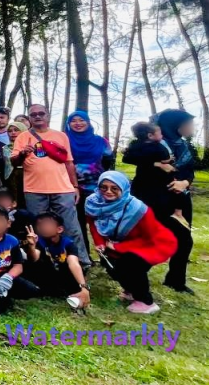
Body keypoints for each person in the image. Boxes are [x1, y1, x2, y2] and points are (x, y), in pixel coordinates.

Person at [86, 171, 177, 314]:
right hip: (118, 242)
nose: (108, 191)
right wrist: (99, 242)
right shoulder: (94, 203)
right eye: (103, 187)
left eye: (114, 188)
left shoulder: (138, 209)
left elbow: (149, 238)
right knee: (110, 265)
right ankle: (131, 290)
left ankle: (146, 302)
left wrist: (117, 247)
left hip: (153, 243)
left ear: (124, 188)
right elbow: (93, 223)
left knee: (131, 265)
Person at [11, 104, 89, 267]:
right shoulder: (23, 137)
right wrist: (23, 153)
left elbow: (69, 162)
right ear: (29, 118)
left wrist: (75, 186)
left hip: (62, 188)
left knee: (70, 226)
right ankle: (45, 262)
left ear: (47, 115)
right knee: (39, 227)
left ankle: (80, 261)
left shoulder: (61, 136)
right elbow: (14, 162)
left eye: (41, 113)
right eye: (33, 114)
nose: (37, 116)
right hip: (34, 190)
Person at [152, 109, 197, 293]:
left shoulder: (183, 145)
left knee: (185, 241)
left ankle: (176, 280)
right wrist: (157, 165)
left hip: (182, 199)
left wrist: (184, 182)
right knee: (151, 240)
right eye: (188, 124)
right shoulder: (154, 144)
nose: (192, 127)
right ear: (174, 125)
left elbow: (190, 171)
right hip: (158, 199)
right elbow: (141, 166)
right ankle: (130, 275)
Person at [65, 110, 115, 258]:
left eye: (82, 120)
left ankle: (109, 256)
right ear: (68, 124)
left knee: (102, 222)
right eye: (73, 121)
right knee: (78, 224)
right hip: (72, 188)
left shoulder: (100, 141)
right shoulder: (64, 140)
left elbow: (108, 160)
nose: (78, 123)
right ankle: (83, 257)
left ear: (88, 122)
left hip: (98, 188)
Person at [23, 213, 91, 308]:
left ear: (59, 229)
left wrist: (84, 288)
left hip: (63, 274)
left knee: (72, 276)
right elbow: (33, 259)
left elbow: (74, 264)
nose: (43, 228)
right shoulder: (39, 241)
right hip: (47, 275)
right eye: (40, 225)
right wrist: (31, 246)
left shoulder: (67, 243)